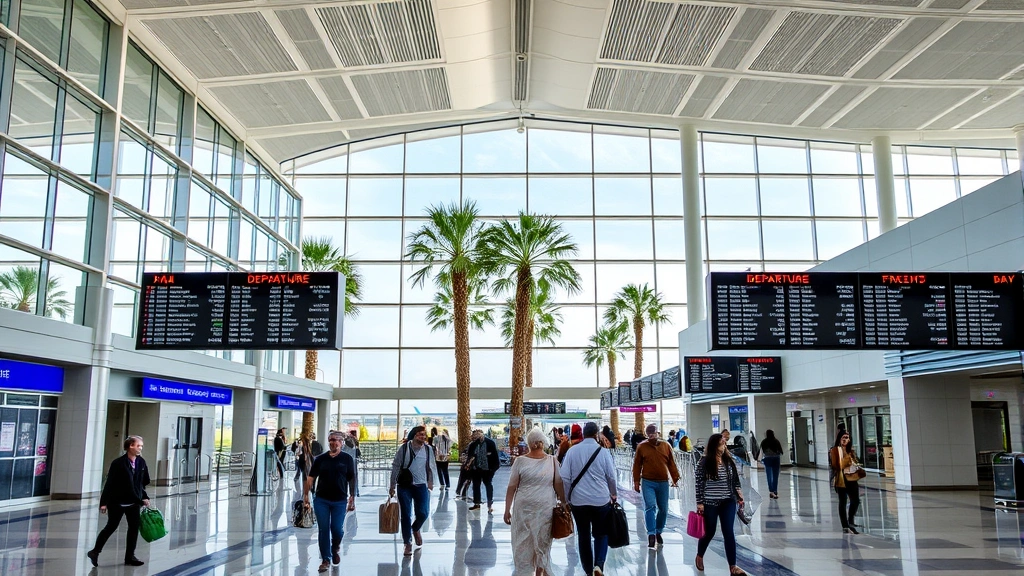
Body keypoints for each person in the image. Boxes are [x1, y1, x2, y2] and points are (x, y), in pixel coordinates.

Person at [504, 428, 566, 576]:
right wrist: (563, 502)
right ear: (543, 443)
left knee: (523, 540)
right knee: (543, 539)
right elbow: (558, 484)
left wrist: (507, 509)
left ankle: (525, 571)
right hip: (545, 507)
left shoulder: (520, 461)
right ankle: (540, 570)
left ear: (529, 444)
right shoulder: (552, 461)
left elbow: (512, 486)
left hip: (523, 507)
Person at [559, 422, 617, 576]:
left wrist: (566, 499)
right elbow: (611, 476)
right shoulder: (604, 452)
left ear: (583, 434)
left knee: (583, 535)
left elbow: (564, 477)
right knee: (601, 533)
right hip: (601, 500)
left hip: (578, 501)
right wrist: (613, 493)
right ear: (597, 434)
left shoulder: (572, 452)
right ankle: (598, 565)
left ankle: (587, 570)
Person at [87, 436, 151, 567]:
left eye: (141, 446)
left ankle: (130, 556)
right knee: (111, 526)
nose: (140, 448)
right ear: (130, 446)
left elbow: (141, 483)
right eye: (138, 445)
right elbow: (110, 483)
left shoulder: (141, 462)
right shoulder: (118, 463)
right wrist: (104, 502)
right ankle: (95, 551)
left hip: (134, 501)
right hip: (117, 501)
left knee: (134, 528)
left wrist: (144, 497)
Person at [304, 431, 357, 573]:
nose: (333, 442)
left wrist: (352, 496)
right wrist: (306, 496)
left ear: (341, 442)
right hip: (322, 499)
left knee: (337, 530)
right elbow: (311, 477)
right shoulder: (320, 459)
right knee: (323, 529)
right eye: (330, 440)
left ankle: (335, 547)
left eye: (335, 440)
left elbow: (351, 477)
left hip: (339, 500)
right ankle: (326, 559)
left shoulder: (347, 459)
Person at [694, 433, 746, 575]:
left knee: (728, 532)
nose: (723, 446)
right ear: (714, 446)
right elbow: (699, 484)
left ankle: (733, 567)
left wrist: (739, 495)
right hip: (710, 502)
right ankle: (700, 555)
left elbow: (735, 480)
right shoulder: (704, 462)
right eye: (721, 443)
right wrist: (700, 503)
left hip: (728, 500)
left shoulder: (728, 460)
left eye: (724, 443)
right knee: (710, 531)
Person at [389, 425, 439, 556]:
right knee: (406, 515)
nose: (423, 437)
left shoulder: (428, 449)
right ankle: (407, 543)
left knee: (423, 513)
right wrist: (392, 485)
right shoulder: (404, 448)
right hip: (405, 485)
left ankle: (415, 528)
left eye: (424, 434)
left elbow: (431, 466)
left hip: (421, 485)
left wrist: (431, 481)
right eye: (420, 434)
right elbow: (396, 466)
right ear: (414, 435)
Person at [632, 424, 680, 549]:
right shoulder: (642, 447)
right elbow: (637, 465)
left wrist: (675, 478)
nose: (652, 436)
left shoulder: (666, 446)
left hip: (663, 482)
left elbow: (671, 463)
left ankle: (659, 530)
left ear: (658, 433)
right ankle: (651, 534)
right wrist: (636, 481)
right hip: (648, 481)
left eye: (653, 433)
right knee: (650, 506)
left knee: (663, 509)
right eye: (649, 434)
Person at [829, 430, 861, 534]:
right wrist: (847, 462)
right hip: (841, 479)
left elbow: (855, 461)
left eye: (847, 437)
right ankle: (845, 525)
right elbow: (836, 465)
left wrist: (855, 464)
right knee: (842, 502)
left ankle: (851, 520)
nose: (845, 439)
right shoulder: (834, 450)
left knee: (855, 500)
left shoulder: (850, 450)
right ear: (839, 439)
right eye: (843, 437)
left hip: (852, 478)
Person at [467, 429, 499, 512]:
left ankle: (489, 505)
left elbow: (495, 457)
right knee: (476, 485)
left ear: (482, 434)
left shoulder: (490, 443)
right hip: (476, 468)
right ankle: (476, 503)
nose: (476, 436)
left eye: (478, 434)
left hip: (487, 469)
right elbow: (470, 455)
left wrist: (493, 469)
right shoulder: (473, 444)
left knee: (488, 485)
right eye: (475, 435)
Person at [760, 429, 784, 499]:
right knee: (775, 476)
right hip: (776, 459)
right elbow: (780, 451)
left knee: (769, 475)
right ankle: (775, 491)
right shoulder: (776, 441)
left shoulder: (764, 442)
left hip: (767, 459)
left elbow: (762, 451)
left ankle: (771, 491)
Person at [341, 431, 361, 497]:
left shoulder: (345, 443)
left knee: (345, 479)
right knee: (353, 479)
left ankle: (346, 493)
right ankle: (355, 493)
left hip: (345, 462)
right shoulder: (355, 443)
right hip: (353, 462)